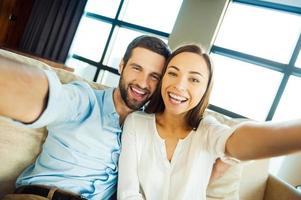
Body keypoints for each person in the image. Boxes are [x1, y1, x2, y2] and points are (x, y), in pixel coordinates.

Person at [117, 44, 301, 200]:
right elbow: (128, 193)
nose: (179, 85)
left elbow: (238, 141)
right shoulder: (136, 123)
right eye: (173, 73)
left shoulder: (208, 129)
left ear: (205, 89)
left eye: (194, 79)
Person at [0, 35, 171, 200]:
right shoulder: (84, 100)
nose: (143, 83)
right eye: (137, 68)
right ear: (122, 66)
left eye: (154, 76)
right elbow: (49, 98)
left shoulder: (148, 129)